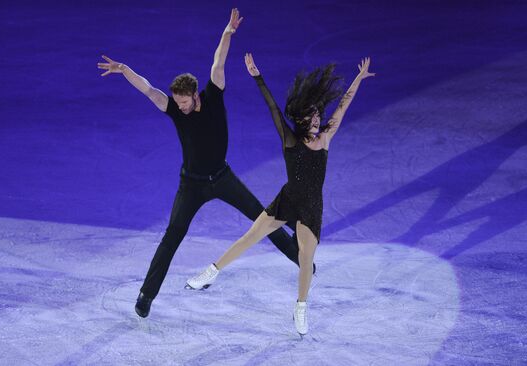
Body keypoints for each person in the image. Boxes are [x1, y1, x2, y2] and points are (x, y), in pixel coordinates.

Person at [97, 9, 307, 318]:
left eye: (184, 102)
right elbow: (148, 89)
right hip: (192, 184)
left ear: (195, 95)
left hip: (222, 177)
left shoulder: (213, 96)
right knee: (173, 234)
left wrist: (227, 33)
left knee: (265, 218)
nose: (180, 108)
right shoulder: (173, 109)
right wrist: (124, 69)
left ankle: (303, 260)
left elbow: (218, 62)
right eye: (177, 102)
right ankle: (146, 295)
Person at [186, 53, 375, 336]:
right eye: (312, 115)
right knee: (250, 236)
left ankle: (300, 307)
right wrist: (257, 76)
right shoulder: (290, 139)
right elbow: (273, 107)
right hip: (287, 200)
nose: (317, 118)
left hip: (311, 207)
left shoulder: (325, 138)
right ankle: (211, 272)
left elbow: (343, 107)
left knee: (306, 260)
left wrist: (358, 79)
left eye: (317, 114)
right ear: (301, 119)